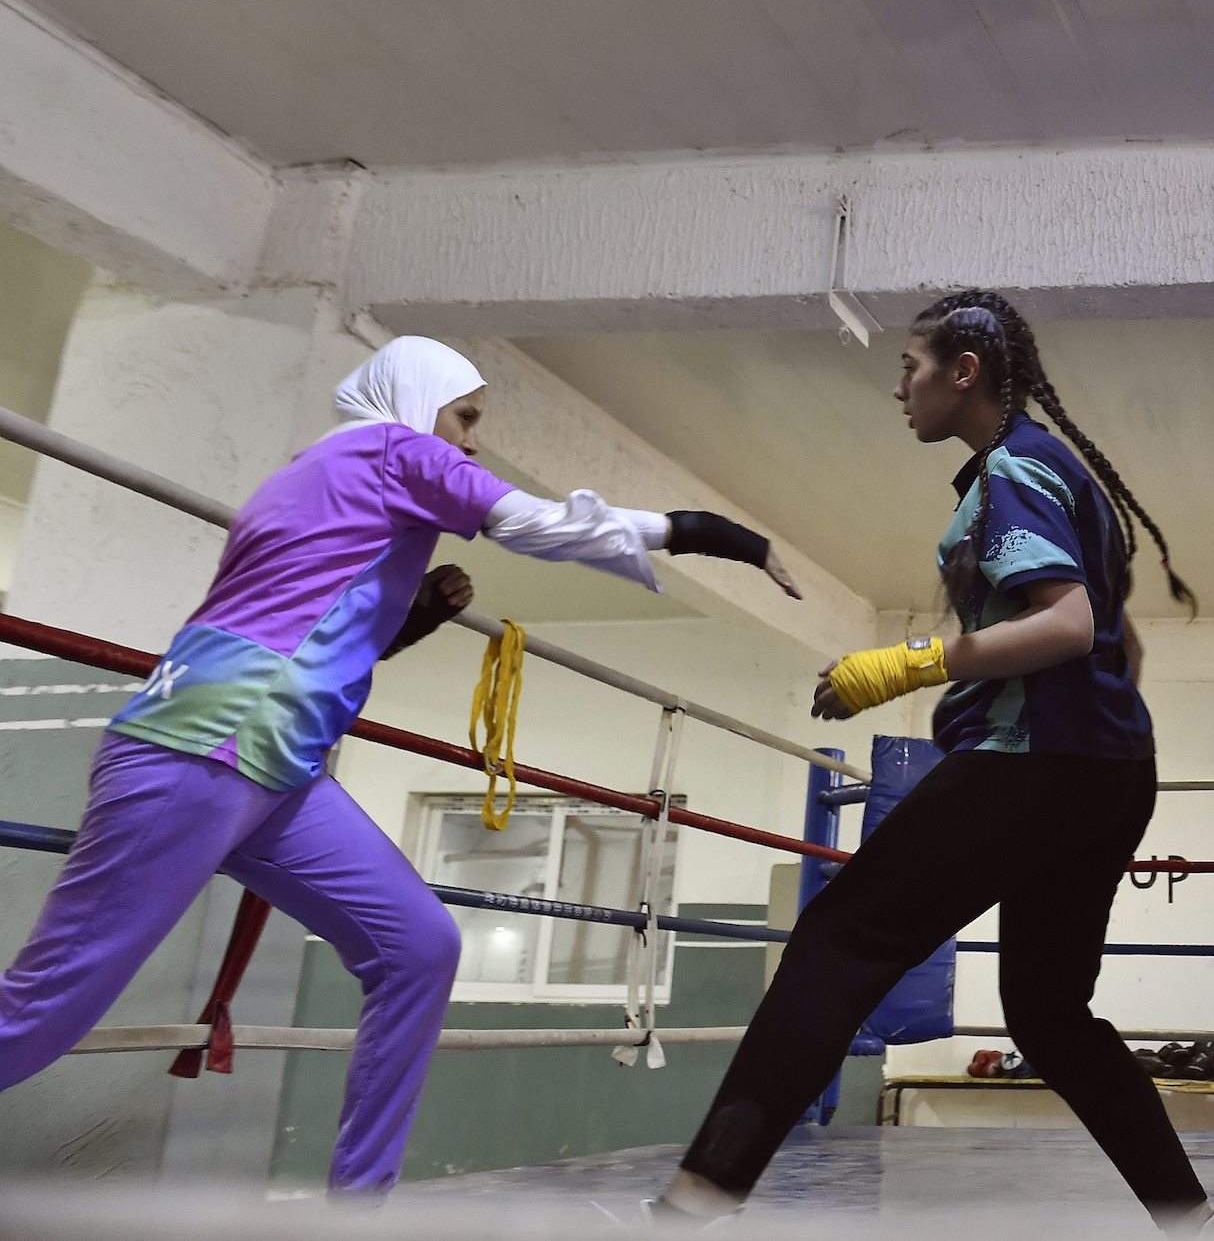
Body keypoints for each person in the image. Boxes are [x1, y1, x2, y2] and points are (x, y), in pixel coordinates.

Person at [0, 336, 794, 1198]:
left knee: (418, 947)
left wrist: (411, 615)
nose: (472, 441)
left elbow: (320, 635)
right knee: (49, 1005)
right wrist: (716, 535)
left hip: (279, 771)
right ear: (417, 402)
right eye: (467, 416)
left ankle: (360, 1206)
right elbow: (533, 523)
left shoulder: (331, 474)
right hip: (204, 743)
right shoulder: (390, 445)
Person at [653, 291, 1214, 1237]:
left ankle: (692, 1204)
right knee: (1047, 1015)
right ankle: (1193, 1221)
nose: (898, 387)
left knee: (838, 942)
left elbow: (1070, 624)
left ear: (964, 372)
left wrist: (905, 665)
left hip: (1037, 762)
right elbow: (1118, 642)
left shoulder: (1013, 469)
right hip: (1108, 769)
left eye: (911, 366)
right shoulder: (1054, 468)